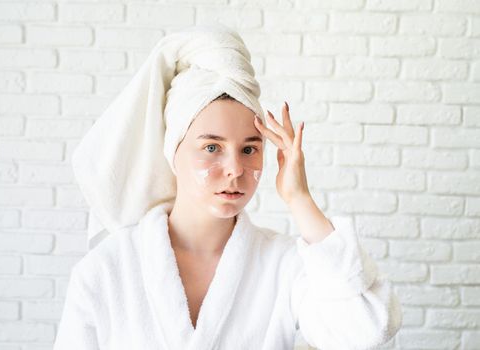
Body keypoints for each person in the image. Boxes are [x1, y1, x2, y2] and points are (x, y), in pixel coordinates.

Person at [53, 24, 402, 350]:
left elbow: (366, 329)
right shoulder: (109, 268)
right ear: (173, 150)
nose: (235, 169)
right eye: (211, 148)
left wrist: (300, 199)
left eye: (250, 149)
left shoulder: (283, 265)